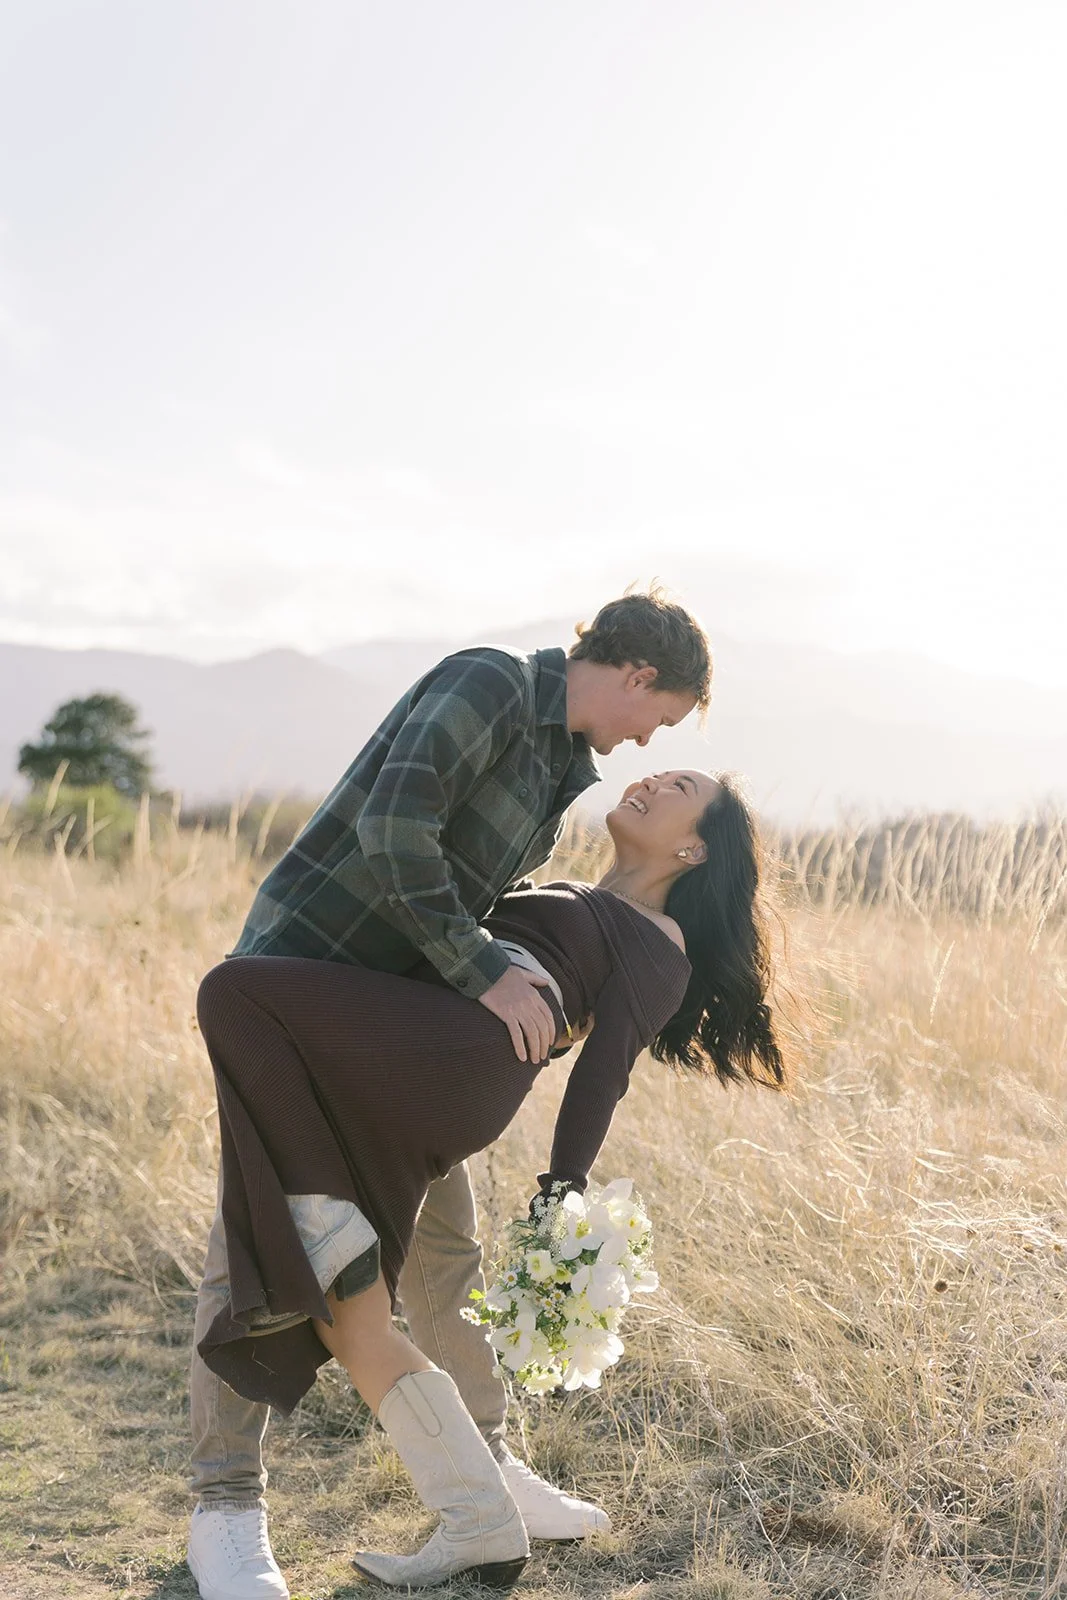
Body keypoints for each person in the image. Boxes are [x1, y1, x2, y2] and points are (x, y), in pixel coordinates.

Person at [187, 588, 713, 1600]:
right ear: (637, 674)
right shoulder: (486, 684)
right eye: (660, 713)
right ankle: (226, 1507)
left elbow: (494, 912)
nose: (648, 736)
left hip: (397, 1018)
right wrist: (485, 969)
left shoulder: (558, 771)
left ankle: (488, 1468)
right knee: (250, 1240)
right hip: (302, 995)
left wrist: (523, 999)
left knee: (444, 1246)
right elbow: (395, 831)